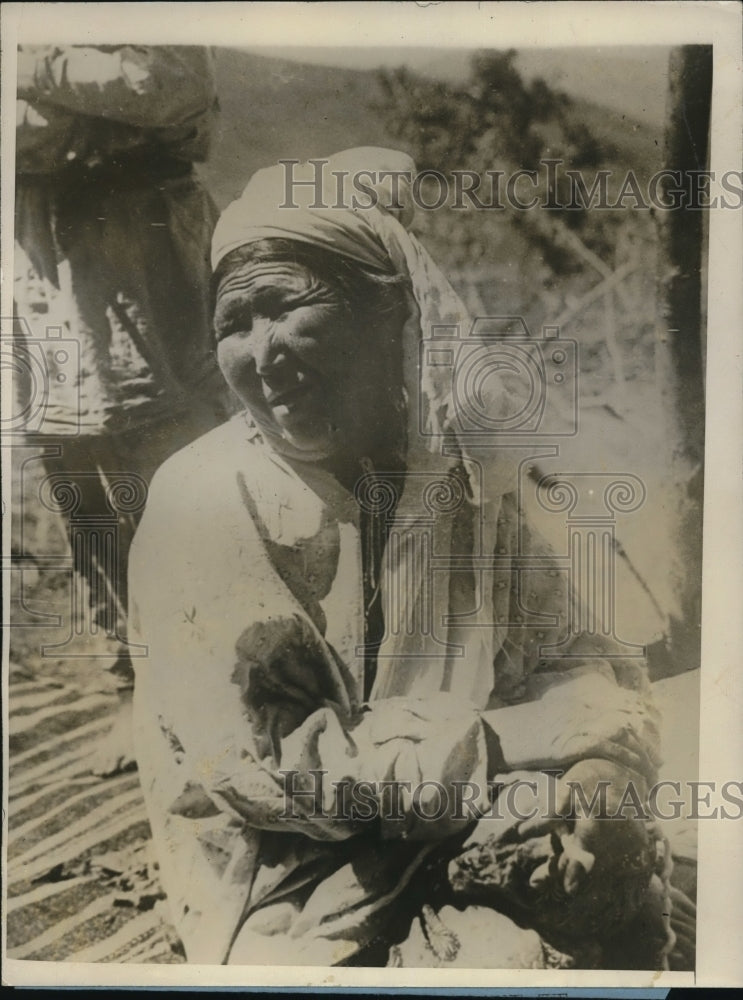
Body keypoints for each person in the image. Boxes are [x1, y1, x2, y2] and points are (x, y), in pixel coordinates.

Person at [129, 149, 690, 968]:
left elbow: (566, 641)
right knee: (508, 965)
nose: (260, 351)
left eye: (284, 306)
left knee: (618, 873)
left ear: (389, 311)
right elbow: (265, 769)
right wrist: (505, 745)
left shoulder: (458, 474)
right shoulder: (205, 500)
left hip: (468, 800)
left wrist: (601, 760)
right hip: (295, 861)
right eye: (232, 323)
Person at [13, 45, 235, 774]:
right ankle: (132, 686)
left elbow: (168, 87)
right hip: (38, 246)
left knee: (176, 470)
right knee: (76, 475)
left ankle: (221, 683)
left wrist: (30, 67)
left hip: (142, 246)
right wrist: (79, 110)